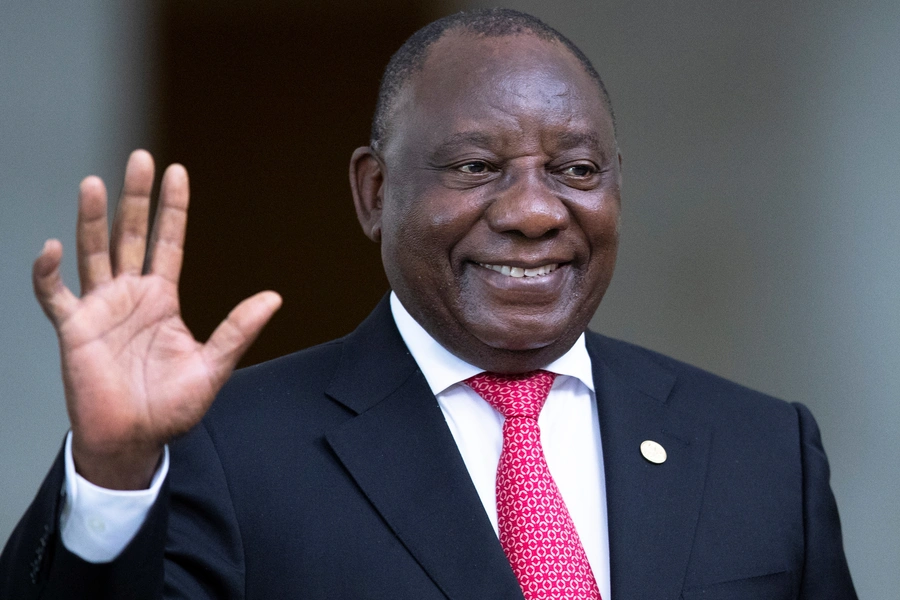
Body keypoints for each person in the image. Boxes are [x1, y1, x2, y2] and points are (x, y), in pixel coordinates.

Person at [0, 8, 856, 600]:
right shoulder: (225, 452)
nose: (532, 211)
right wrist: (111, 475)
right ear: (374, 192)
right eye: (476, 166)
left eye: (577, 171)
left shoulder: (763, 451)